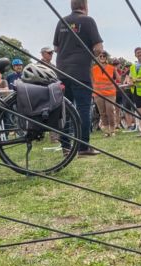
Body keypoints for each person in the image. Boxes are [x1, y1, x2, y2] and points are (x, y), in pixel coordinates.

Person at [53, 0, 104, 156]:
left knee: (65, 109)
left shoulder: (61, 21)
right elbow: (98, 48)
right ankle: (83, 147)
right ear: (85, 6)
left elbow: (56, 48)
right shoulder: (88, 20)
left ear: (72, 6)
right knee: (83, 108)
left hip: (62, 71)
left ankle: (66, 147)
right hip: (81, 71)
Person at [91, 51, 119, 136]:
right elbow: (92, 81)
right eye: (100, 56)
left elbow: (119, 79)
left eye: (104, 56)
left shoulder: (111, 68)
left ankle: (112, 130)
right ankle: (106, 131)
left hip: (110, 93)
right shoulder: (94, 68)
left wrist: (116, 70)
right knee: (102, 112)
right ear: (98, 58)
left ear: (106, 57)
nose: (102, 57)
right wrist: (93, 90)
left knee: (110, 110)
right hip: (98, 94)